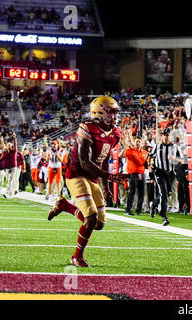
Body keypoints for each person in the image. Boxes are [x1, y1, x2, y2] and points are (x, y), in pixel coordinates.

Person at [46, 96, 129, 267]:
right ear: (99, 112)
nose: (115, 115)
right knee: (90, 218)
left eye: (115, 112)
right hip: (76, 173)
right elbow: (84, 161)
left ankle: (64, 206)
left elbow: (104, 159)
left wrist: (106, 186)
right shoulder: (87, 128)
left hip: (92, 176)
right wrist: (108, 176)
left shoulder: (115, 133)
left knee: (98, 224)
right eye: (111, 112)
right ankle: (77, 257)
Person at [150, 128, 178, 226]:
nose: (166, 136)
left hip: (170, 173)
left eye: (167, 135)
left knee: (167, 193)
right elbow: (150, 156)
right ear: (162, 136)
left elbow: (182, 160)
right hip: (159, 172)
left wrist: (174, 159)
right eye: (164, 135)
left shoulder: (175, 147)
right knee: (163, 193)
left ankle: (153, 205)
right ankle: (164, 216)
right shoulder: (157, 146)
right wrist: (151, 165)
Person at [120, 135, 149, 216]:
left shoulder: (145, 152)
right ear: (134, 142)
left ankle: (139, 210)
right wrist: (126, 146)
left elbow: (145, 163)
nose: (138, 143)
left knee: (141, 193)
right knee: (132, 192)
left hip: (142, 174)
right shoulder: (130, 150)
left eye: (139, 141)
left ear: (142, 143)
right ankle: (128, 209)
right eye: (137, 141)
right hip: (133, 174)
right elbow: (120, 155)